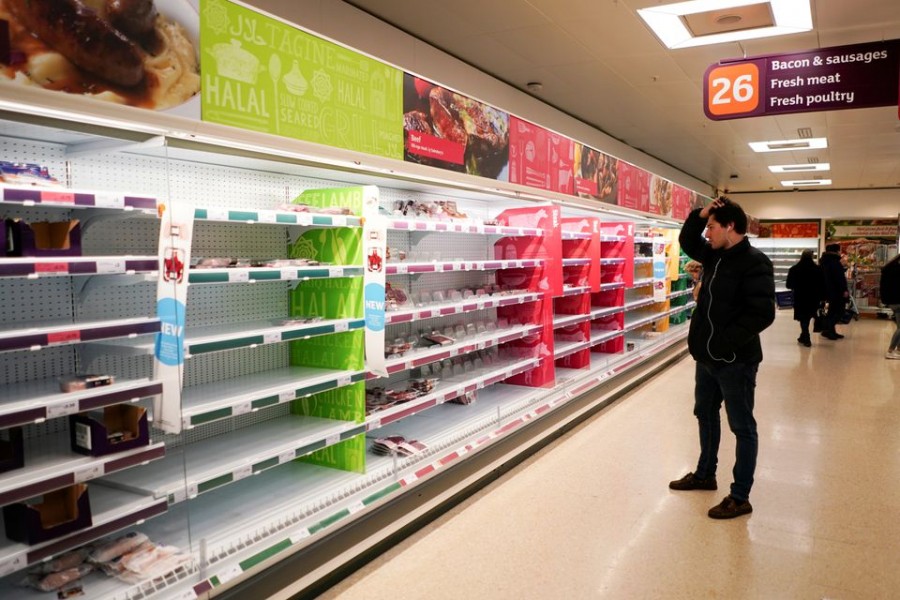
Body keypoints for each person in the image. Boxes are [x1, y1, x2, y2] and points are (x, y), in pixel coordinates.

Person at [670, 196, 775, 520]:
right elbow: (687, 240)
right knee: (705, 413)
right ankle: (705, 474)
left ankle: (740, 496)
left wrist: (724, 345)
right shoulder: (714, 255)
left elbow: (762, 314)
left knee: (742, 426)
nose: (708, 233)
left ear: (730, 227)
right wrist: (700, 214)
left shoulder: (755, 262)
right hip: (707, 358)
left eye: (712, 227)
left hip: (736, 360)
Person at [786, 249, 825, 347]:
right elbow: (822, 285)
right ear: (812, 257)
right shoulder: (818, 269)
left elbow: (788, 285)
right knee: (808, 316)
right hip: (813, 297)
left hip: (800, 297)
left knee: (803, 318)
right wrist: (823, 297)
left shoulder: (794, 269)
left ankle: (805, 336)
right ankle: (804, 336)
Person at [819, 243, 849, 340]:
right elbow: (838, 278)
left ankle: (829, 330)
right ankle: (829, 331)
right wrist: (844, 290)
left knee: (832, 311)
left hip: (828, 290)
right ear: (836, 251)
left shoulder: (824, 261)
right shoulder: (834, 262)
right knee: (839, 311)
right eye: (839, 250)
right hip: (837, 291)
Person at [881, 254, 900, 359]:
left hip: (892, 301)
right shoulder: (897, 271)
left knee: (899, 327)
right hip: (898, 301)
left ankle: (898, 350)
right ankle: (890, 351)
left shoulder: (889, 269)